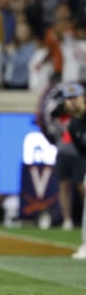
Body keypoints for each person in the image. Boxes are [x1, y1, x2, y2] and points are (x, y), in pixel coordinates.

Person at [61, 84, 86, 259]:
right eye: (69, 99)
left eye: (75, 98)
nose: (72, 103)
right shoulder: (73, 125)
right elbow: (82, 152)